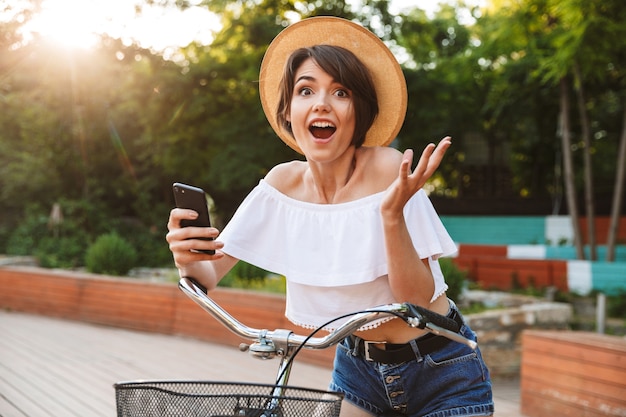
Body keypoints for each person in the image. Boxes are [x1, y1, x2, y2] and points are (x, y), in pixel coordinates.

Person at [167, 16, 494, 417]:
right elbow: (207, 277)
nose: (321, 102)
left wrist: (391, 216)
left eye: (340, 92)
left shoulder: (388, 169)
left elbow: (416, 301)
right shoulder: (280, 185)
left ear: (360, 111)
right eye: (306, 90)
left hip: (441, 369)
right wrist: (187, 259)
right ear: (288, 110)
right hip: (358, 372)